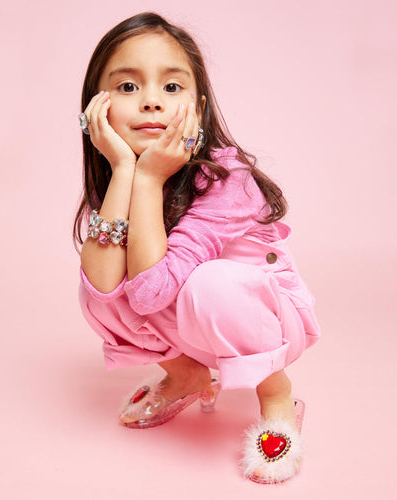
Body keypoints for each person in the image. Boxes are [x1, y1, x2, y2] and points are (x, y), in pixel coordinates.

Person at [73, 12, 321, 484]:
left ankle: (276, 395)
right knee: (96, 287)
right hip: (184, 312)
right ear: (95, 109)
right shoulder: (116, 178)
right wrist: (125, 170)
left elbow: (150, 295)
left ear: (199, 106)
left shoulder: (229, 181)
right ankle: (187, 375)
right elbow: (105, 288)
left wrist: (149, 176)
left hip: (261, 313)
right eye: (127, 87)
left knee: (211, 283)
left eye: (171, 87)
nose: (150, 102)